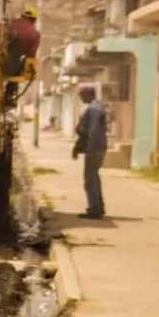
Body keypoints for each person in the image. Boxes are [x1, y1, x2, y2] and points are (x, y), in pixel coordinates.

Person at [72, 83, 107, 219]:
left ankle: (94, 210)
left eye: (81, 95)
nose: (80, 98)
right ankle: (98, 207)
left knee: (90, 180)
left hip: (94, 148)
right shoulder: (95, 107)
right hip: (96, 147)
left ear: (88, 94)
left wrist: (88, 149)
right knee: (94, 178)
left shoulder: (93, 109)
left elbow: (92, 131)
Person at [4, 6, 42, 77]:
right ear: (34, 20)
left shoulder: (10, 23)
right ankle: (11, 86)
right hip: (11, 67)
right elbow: (31, 55)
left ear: (22, 16)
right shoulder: (35, 34)